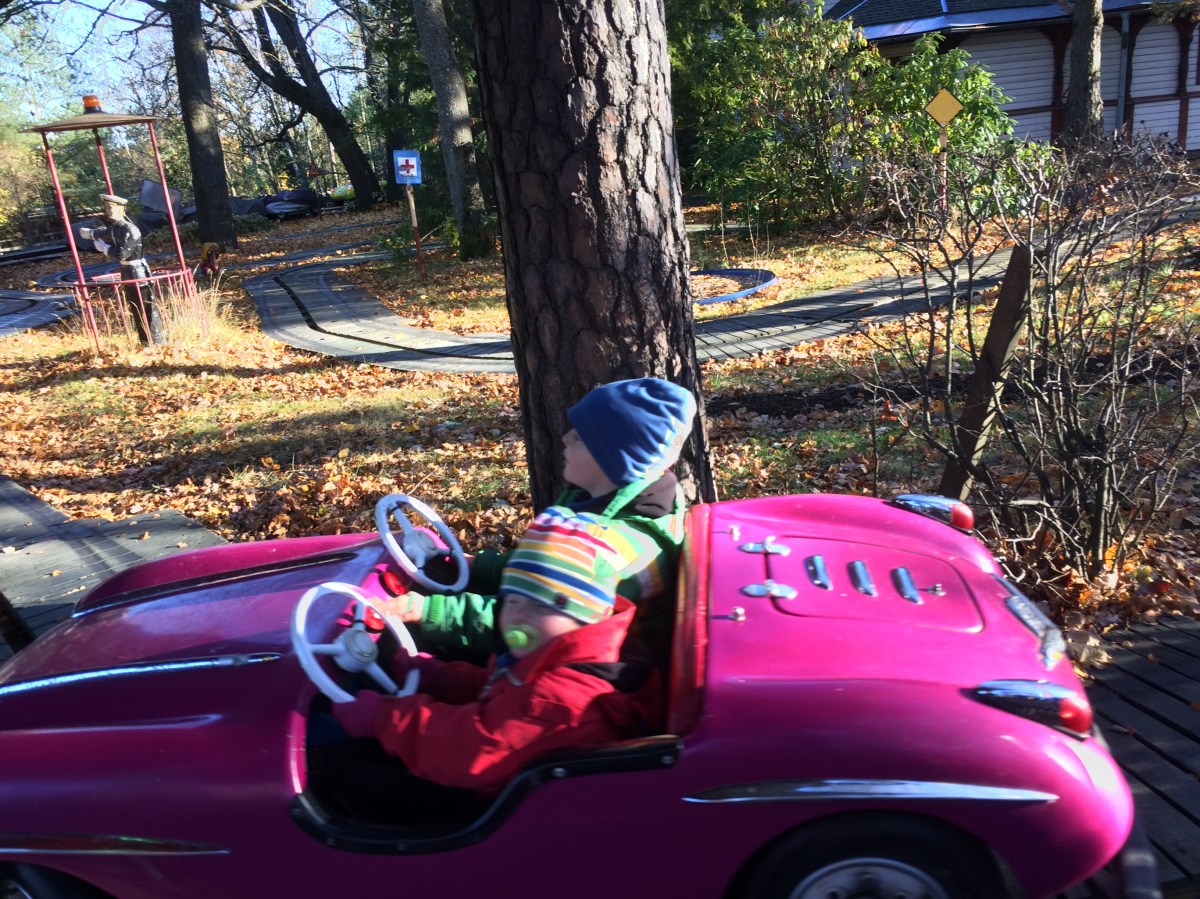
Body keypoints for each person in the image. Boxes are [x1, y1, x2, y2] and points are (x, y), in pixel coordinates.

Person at [330, 510, 646, 805]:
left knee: (360, 782)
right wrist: (437, 676)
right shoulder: (553, 658)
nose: (518, 615)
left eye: (540, 605)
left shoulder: (559, 700)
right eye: (513, 600)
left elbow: (467, 750)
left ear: (587, 616)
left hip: (502, 796)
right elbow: (499, 687)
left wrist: (384, 718)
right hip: (504, 773)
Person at [386, 377, 697, 666]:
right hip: (558, 643)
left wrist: (428, 611)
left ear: (612, 459)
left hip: (571, 666)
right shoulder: (603, 501)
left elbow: (529, 621)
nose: (565, 438)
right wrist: (473, 565)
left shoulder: (608, 547)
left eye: (580, 437)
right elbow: (539, 573)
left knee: (400, 654)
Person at [91, 193, 164, 345]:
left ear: (121, 209)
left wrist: (105, 248)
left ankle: (156, 341)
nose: (109, 211)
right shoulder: (117, 227)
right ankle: (145, 341)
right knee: (136, 309)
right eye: (107, 208)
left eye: (111, 208)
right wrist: (91, 234)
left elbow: (122, 253)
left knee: (147, 307)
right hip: (128, 273)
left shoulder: (129, 229)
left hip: (138, 273)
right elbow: (106, 232)